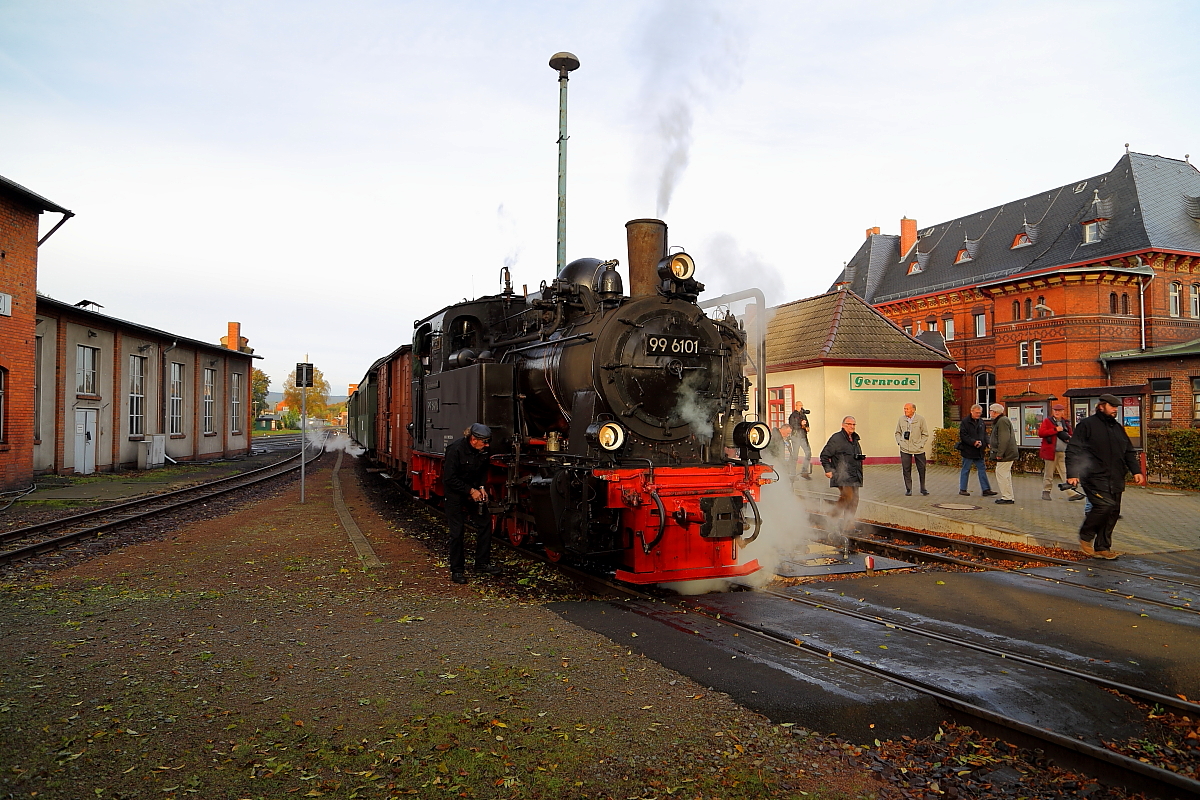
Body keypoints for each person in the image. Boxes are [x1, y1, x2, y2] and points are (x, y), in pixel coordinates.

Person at [1065, 394, 1145, 559]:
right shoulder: (1087, 425)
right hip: (1093, 475)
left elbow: (1129, 451)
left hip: (1115, 476)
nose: (1115, 409)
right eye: (1112, 406)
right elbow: (1073, 449)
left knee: (1113, 512)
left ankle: (1102, 547)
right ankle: (1085, 536)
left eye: (1117, 407)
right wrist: (1072, 473)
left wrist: (1136, 471)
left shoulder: (1117, 428)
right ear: (1101, 406)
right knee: (1104, 506)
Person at [443, 423, 501, 584]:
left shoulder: (484, 450)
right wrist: (470, 490)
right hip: (455, 493)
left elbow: (483, 470)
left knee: (485, 523)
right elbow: (449, 478)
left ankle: (482, 563)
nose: (487, 445)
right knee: (457, 531)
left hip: (473, 490)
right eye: (484, 442)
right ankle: (457, 570)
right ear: (473, 440)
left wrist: (481, 487)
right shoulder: (455, 450)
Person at [820, 416, 865, 532]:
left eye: (854, 424)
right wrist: (828, 469)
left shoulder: (855, 439)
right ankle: (832, 516)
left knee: (855, 499)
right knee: (848, 496)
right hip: (841, 474)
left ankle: (848, 524)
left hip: (854, 474)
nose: (852, 426)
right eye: (849, 424)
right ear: (843, 425)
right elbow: (824, 455)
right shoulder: (837, 438)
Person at [1039, 403, 1077, 501]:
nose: (1057, 412)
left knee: (1065, 472)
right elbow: (1041, 433)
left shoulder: (1065, 422)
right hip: (1051, 452)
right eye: (1055, 410)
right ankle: (1046, 492)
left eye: (1059, 411)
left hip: (1063, 451)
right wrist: (1055, 429)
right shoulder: (1047, 421)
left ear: (1062, 412)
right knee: (1049, 473)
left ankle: (1071, 493)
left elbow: (1070, 434)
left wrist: (1069, 438)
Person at [958, 404, 996, 497]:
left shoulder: (981, 422)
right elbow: (963, 436)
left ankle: (986, 489)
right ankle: (963, 489)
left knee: (982, 469)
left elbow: (984, 434)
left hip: (979, 451)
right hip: (968, 450)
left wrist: (988, 442)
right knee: (966, 469)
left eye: (980, 413)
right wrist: (973, 442)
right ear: (971, 411)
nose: (978, 414)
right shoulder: (965, 422)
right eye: (977, 413)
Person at [894, 402, 930, 496]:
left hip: (918, 449)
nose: (905, 410)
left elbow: (925, 434)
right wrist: (900, 442)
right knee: (906, 469)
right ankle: (908, 489)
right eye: (904, 409)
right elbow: (897, 432)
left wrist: (921, 444)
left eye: (907, 409)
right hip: (905, 448)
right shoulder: (901, 419)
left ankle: (923, 488)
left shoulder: (921, 419)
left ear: (913, 410)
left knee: (922, 468)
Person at [988, 403, 1018, 504]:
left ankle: (1007, 497)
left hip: (1006, 453)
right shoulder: (1002, 420)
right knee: (1005, 474)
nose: (989, 412)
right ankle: (1009, 496)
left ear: (995, 412)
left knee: (1001, 474)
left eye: (990, 410)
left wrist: (1000, 453)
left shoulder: (1002, 421)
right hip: (1008, 452)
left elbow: (1004, 438)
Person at [789, 402, 812, 479]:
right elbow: (792, 426)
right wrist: (800, 424)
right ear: (796, 406)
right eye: (800, 405)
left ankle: (804, 471)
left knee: (808, 453)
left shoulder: (803, 415)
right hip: (796, 437)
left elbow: (807, 426)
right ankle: (793, 473)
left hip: (803, 437)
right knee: (795, 456)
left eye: (802, 405)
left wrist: (806, 427)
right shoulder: (793, 416)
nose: (801, 407)